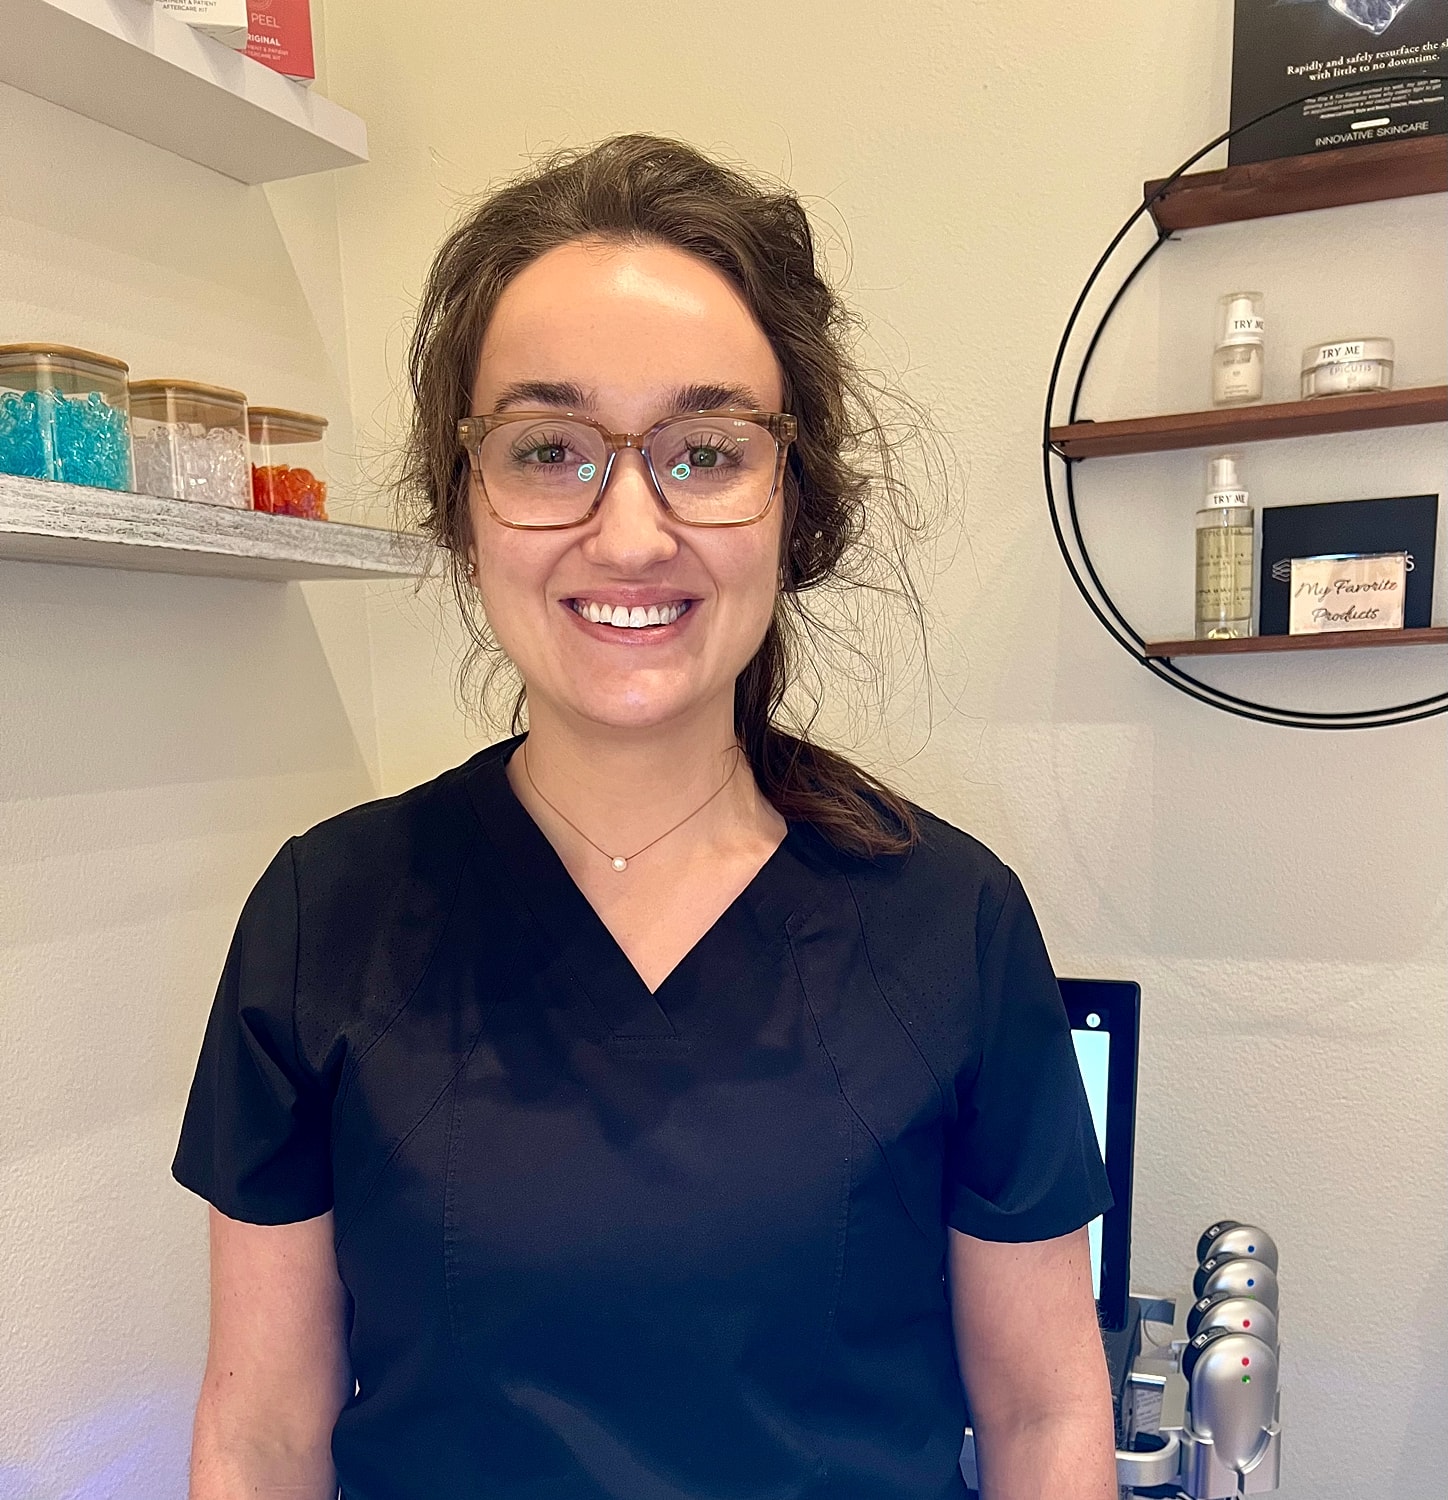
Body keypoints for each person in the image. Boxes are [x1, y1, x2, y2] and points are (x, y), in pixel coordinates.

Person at [172, 133, 1116, 1500]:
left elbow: (1045, 1419)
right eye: (549, 450)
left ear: (792, 504)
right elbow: (260, 1438)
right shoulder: (329, 916)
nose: (627, 535)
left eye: (706, 451)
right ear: (464, 503)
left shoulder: (950, 926)